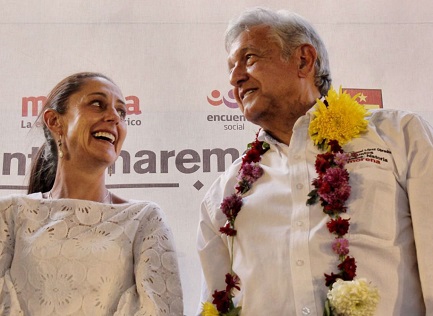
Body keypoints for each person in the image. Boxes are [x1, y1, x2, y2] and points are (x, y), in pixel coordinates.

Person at [197, 7, 433, 316]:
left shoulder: (398, 135)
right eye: (230, 67)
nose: (234, 77)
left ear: (304, 60)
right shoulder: (224, 194)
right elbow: (215, 303)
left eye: (249, 58)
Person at [0, 72, 183, 315]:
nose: (114, 118)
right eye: (97, 104)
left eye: (122, 112)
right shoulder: (10, 213)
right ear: (55, 121)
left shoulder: (145, 219)